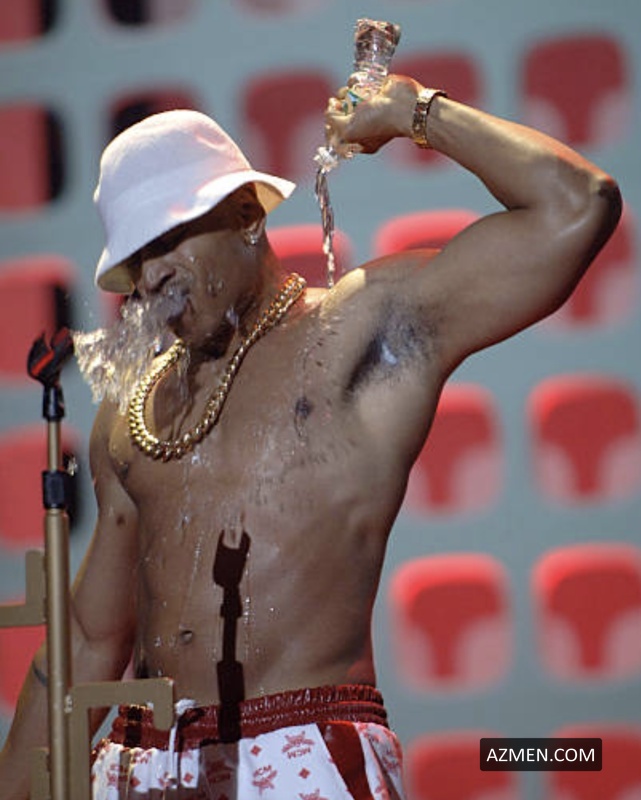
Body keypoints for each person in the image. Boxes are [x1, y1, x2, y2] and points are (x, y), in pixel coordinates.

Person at [0, 72, 621, 799]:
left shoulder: (356, 332)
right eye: (137, 259)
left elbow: (577, 206)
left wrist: (416, 112)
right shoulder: (132, 412)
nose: (154, 275)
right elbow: (86, 642)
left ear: (245, 214)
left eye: (168, 239)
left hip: (300, 755)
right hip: (141, 765)